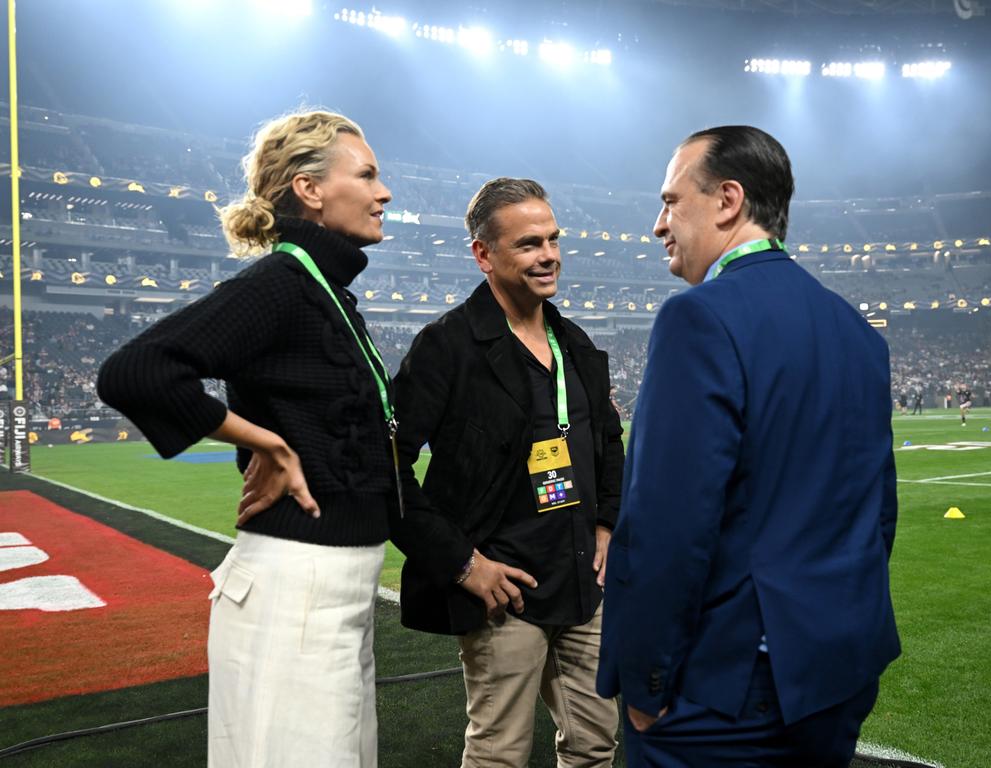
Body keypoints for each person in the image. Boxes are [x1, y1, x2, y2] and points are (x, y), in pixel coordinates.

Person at [98, 109, 396, 768]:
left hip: (334, 591)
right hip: (294, 588)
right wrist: (263, 441)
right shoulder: (281, 285)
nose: (384, 191)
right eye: (368, 174)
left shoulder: (326, 294)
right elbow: (134, 371)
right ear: (309, 189)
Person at [597, 126, 900, 767]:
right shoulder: (855, 330)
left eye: (672, 200)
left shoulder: (699, 317)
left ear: (728, 200)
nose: (659, 223)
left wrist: (647, 682)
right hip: (837, 669)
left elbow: (666, 522)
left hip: (729, 688)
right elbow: (877, 512)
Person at [390, 178, 624, 768]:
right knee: (501, 753)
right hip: (505, 591)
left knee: (596, 742)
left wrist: (608, 526)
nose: (548, 255)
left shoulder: (575, 344)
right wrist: (462, 563)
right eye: (527, 244)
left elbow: (609, 443)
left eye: (552, 239)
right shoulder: (446, 347)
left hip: (581, 582)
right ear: (483, 253)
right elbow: (383, 465)